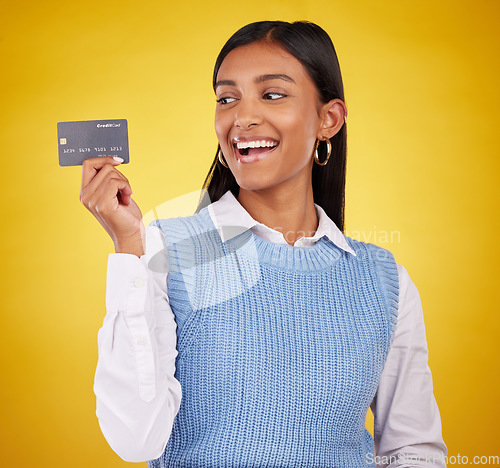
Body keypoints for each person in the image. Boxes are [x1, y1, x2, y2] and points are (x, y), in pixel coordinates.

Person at [80, 20, 447, 467]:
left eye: (272, 94)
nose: (242, 117)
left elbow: (414, 450)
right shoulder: (162, 251)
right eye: (227, 98)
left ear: (328, 119)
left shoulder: (384, 280)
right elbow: (135, 441)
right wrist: (129, 250)